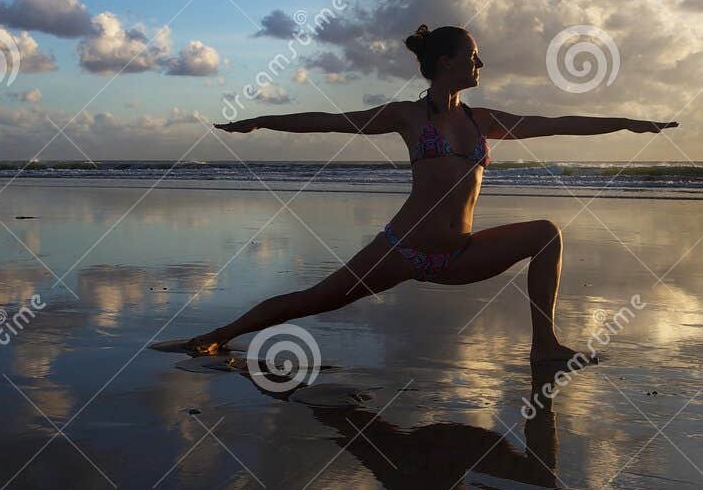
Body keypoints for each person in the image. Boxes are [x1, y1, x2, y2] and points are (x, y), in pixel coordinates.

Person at [185, 24, 676, 361]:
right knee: (315, 299)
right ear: (447, 62)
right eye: (472, 56)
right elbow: (329, 121)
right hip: (402, 250)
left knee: (546, 235)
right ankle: (218, 335)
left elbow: (558, 124)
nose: (480, 62)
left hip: (459, 256)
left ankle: (544, 345)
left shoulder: (482, 121)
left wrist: (627, 124)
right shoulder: (407, 116)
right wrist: (261, 120)